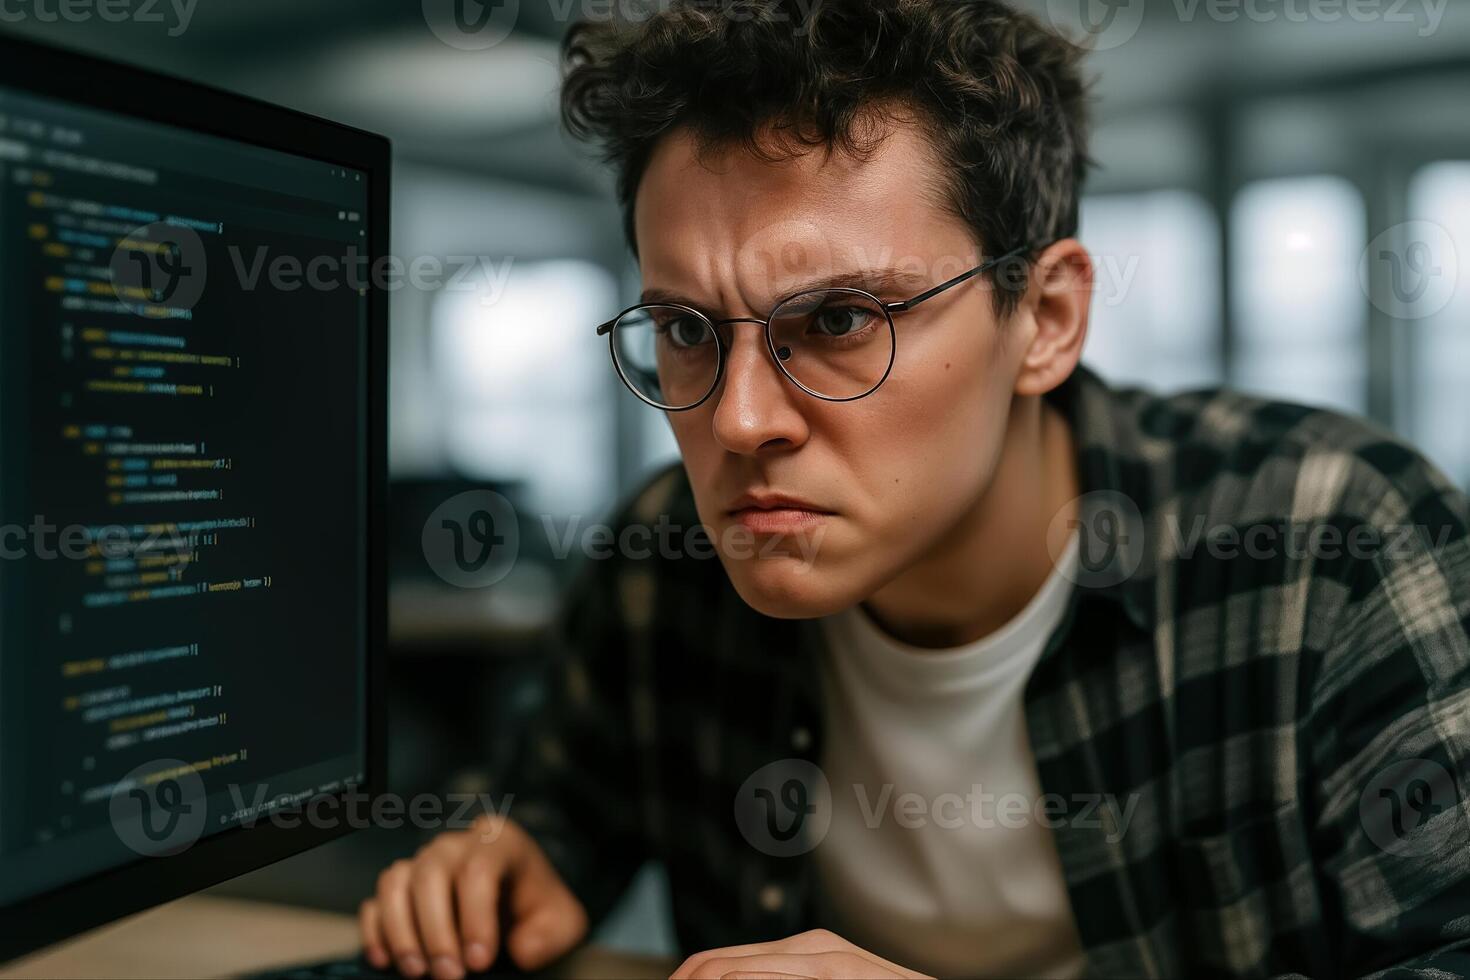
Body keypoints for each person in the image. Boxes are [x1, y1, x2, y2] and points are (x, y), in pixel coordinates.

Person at [358, 1, 1470, 977]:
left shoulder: (1332, 546)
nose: (740, 420)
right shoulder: (665, 561)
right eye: (688, 331)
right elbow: (554, 807)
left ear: (1044, 321)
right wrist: (512, 859)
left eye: (838, 321)